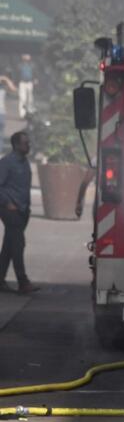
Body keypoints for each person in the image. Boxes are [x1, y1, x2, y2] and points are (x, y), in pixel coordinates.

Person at [0, 131, 38, 294]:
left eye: (28, 143)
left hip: (22, 210)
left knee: (9, 245)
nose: (28, 146)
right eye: (25, 143)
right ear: (16, 145)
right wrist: (7, 203)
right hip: (9, 209)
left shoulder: (25, 163)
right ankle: (23, 282)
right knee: (18, 244)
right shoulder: (7, 163)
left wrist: (26, 207)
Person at [0, 76, 17, 145]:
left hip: (1, 113)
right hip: (2, 113)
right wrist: (6, 79)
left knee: (1, 134)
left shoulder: (2, 90)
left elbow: (14, 89)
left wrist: (6, 79)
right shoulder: (3, 90)